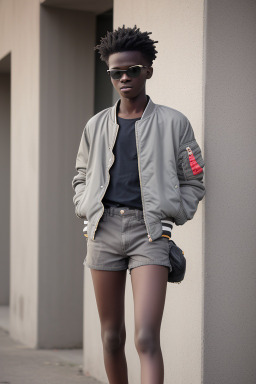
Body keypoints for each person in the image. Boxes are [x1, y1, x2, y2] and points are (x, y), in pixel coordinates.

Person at [72, 26, 205, 384]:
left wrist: (170, 214)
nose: (124, 78)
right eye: (116, 72)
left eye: (133, 70)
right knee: (111, 337)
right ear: (110, 74)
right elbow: (81, 176)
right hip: (103, 232)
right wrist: (85, 207)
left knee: (146, 336)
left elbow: (194, 179)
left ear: (148, 70)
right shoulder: (96, 125)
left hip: (150, 235)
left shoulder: (175, 123)